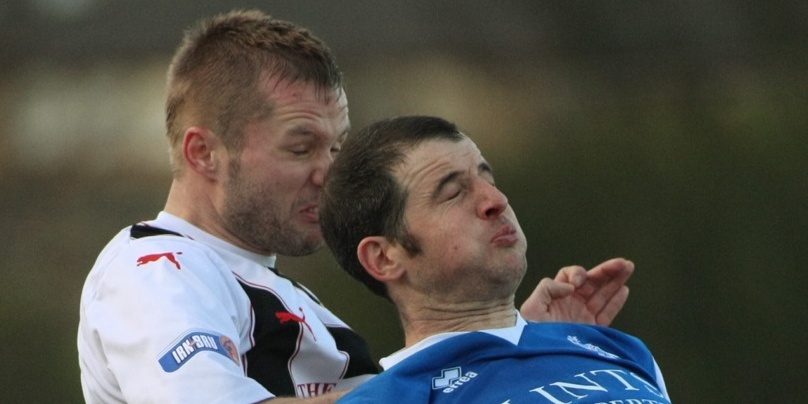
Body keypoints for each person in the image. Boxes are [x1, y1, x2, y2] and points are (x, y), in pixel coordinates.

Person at [77, 10, 635, 403]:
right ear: (205, 152)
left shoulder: (280, 291)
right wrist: (471, 369)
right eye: (301, 148)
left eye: (336, 146)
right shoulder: (154, 271)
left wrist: (506, 341)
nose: (330, 171)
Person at [319, 115, 671, 403]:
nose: (496, 200)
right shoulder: (392, 398)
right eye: (454, 193)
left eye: (489, 178)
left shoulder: (615, 348)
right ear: (384, 258)